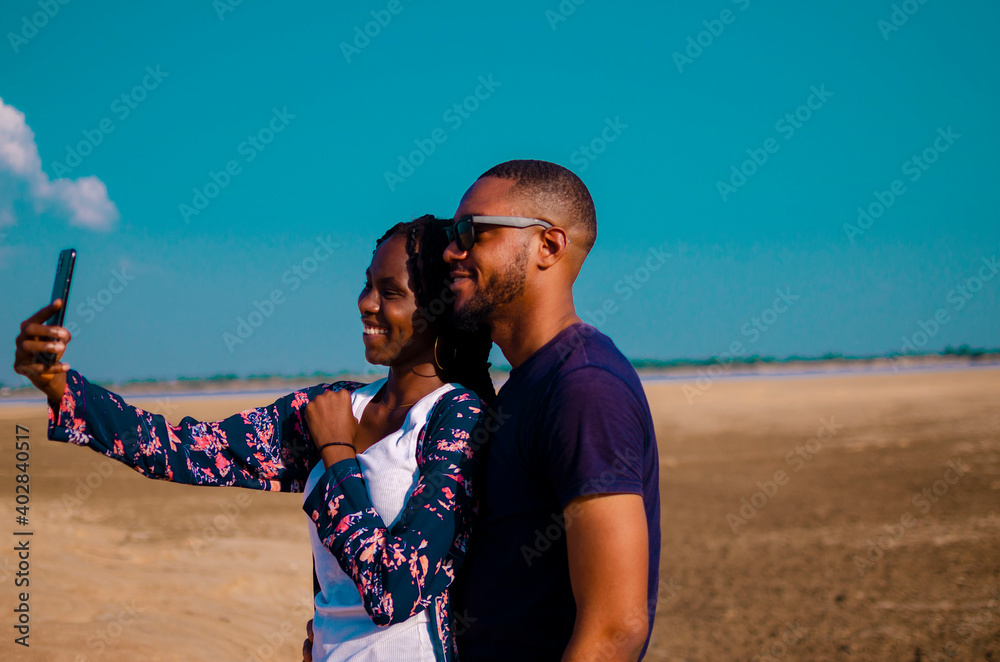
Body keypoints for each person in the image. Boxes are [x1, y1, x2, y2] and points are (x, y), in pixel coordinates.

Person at [13, 215, 495, 662]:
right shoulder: (334, 405)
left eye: (389, 292)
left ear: (437, 308)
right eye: (367, 285)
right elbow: (184, 448)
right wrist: (58, 383)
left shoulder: (458, 419)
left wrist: (336, 455)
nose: (365, 303)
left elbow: (393, 587)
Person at [443, 160, 662, 661]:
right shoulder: (528, 381)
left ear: (549, 246)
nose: (451, 251)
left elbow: (615, 628)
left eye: (471, 232)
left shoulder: (583, 387)